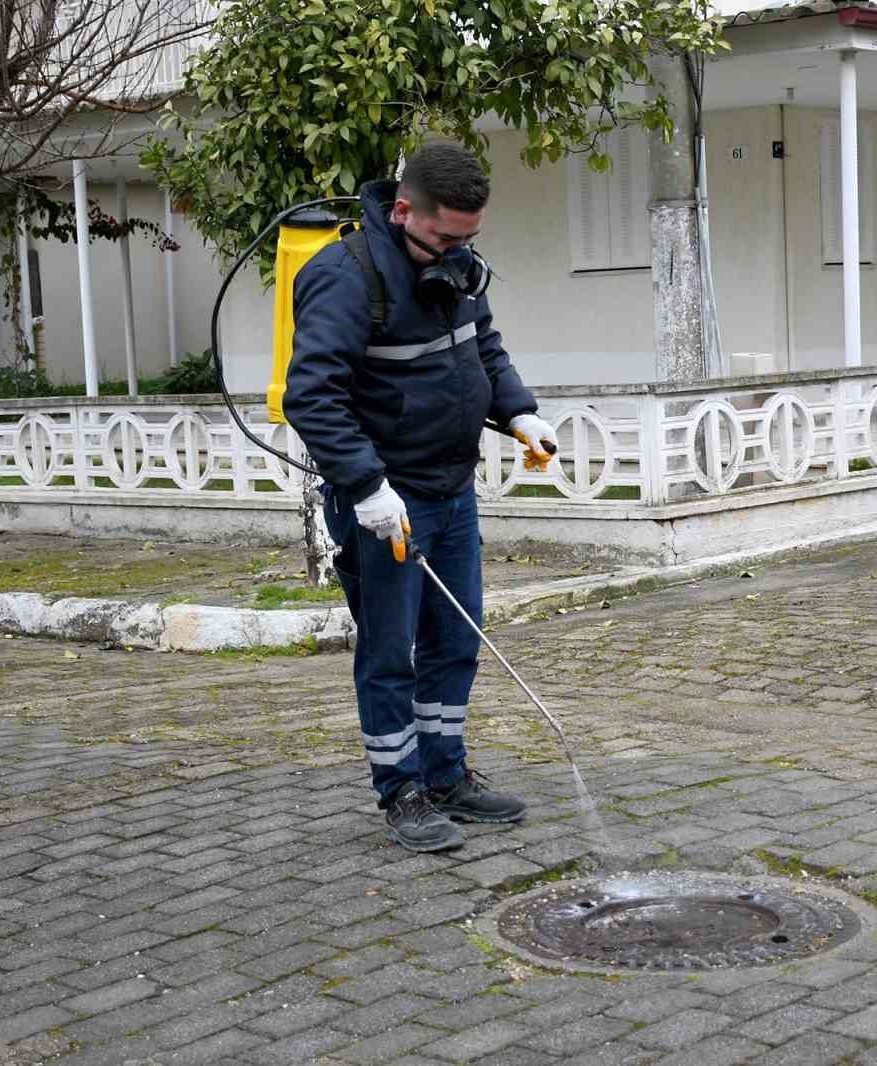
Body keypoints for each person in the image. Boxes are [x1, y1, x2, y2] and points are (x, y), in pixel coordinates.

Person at [284, 143, 558, 853]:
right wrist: (366, 486)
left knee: (455, 640)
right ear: (403, 209)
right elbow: (310, 398)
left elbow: (483, 348)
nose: (459, 252)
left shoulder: (458, 267)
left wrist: (519, 410)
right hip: (386, 506)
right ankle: (400, 790)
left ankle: (445, 775)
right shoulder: (343, 279)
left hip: (451, 490)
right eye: (446, 237)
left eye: (471, 238)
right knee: (390, 654)